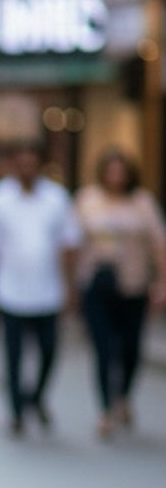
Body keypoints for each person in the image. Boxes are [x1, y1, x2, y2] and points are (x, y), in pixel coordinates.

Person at [0, 140, 81, 436]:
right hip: (9, 289)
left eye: (31, 163)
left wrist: (70, 287)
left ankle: (35, 396)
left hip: (48, 290)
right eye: (21, 163)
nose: (26, 169)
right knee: (13, 354)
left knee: (49, 350)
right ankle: (16, 410)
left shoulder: (56, 197)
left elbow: (68, 245)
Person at [75, 147, 166, 438]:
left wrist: (161, 281)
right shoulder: (88, 200)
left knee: (130, 348)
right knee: (103, 349)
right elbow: (71, 242)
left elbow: (158, 244)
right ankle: (105, 410)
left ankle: (122, 396)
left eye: (121, 171)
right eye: (111, 171)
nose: (116, 177)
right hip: (97, 285)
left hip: (133, 285)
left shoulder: (142, 203)